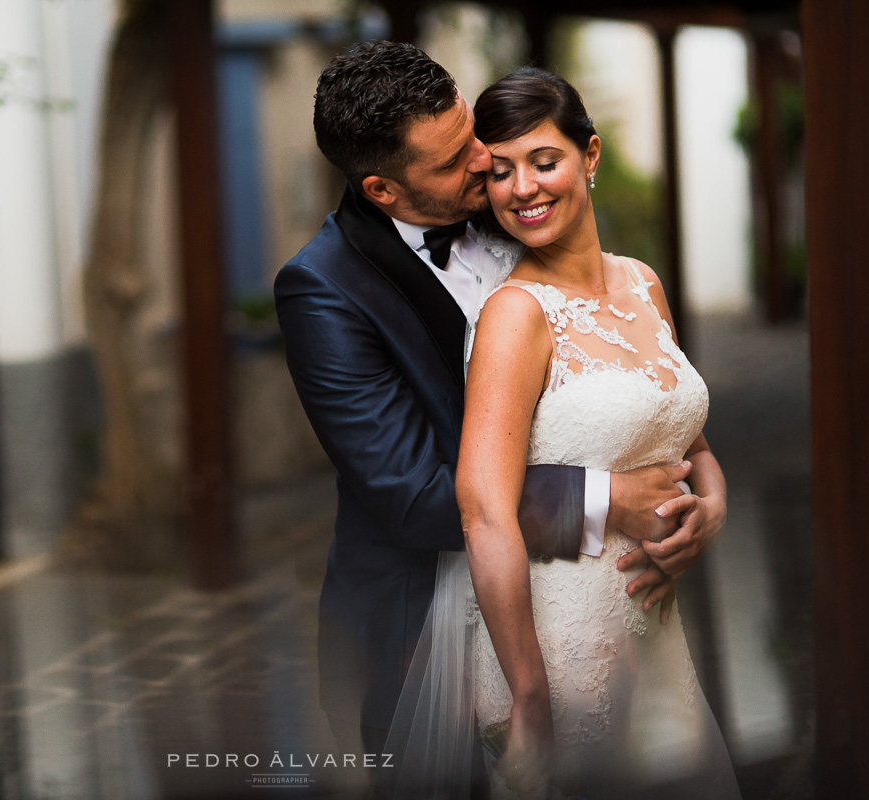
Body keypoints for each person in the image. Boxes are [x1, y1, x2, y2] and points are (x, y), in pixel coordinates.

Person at [273, 41, 725, 781]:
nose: (487, 165)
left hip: (600, 605)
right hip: (427, 632)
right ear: (385, 190)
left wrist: (702, 497)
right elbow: (415, 496)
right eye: (455, 162)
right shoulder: (324, 292)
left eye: (472, 137)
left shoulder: (516, 205)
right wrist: (609, 499)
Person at [388, 67, 740, 800]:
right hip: (561, 649)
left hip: (654, 639)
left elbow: (687, 438)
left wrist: (712, 506)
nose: (523, 189)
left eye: (543, 161)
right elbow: (484, 509)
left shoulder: (643, 284)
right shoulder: (517, 315)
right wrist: (529, 695)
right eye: (502, 172)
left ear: (590, 155)